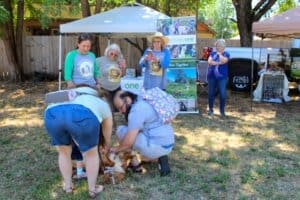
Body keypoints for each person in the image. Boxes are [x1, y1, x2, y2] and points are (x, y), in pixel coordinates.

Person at [44, 86, 113, 198]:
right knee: (91, 154)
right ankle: (92, 189)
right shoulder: (100, 101)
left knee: (63, 152)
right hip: (82, 113)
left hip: (51, 114)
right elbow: (107, 129)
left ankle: (68, 187)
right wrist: (107, 144)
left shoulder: (66, 93)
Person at [111, 90, 174, 176]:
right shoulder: (146, 100)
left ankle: (135, 165)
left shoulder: (136, 110)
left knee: (120, 130)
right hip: (168, 145)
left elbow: (128, 143)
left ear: (128, 99)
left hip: (155, 145)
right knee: (139, 137)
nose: (121, 111)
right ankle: (159, 156)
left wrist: (115, 149)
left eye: (121, 107)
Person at [96, 43, 126, 109]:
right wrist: (97, 82)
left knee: (117, 108)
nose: (113, 56)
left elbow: (123, 75)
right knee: (107, 108)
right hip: (104, 88)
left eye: (115, 55)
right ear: (107, 52)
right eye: (111, 53)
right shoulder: (100, 60)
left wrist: (123, 68)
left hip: (116, 88)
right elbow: (93, 71)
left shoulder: (119, 61)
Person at [207, 39, 230, 117]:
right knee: (210, 94)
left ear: (224, 47)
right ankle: (210, 109)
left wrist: (220, 55)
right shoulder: (212, 53)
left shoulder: (226, 54)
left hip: (222, 77)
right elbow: (209, 62)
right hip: (211, 76)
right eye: (217, 46)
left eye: (220, 46)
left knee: (223, 94)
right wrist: (219, 63)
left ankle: (222, 111)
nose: (218, 47)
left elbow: (224, 61)